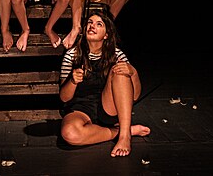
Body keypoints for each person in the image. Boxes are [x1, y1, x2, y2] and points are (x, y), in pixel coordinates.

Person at [59, 11, 150, 157]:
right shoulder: (72, 55)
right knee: (70, 134)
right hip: (81, 108)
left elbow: (134, 96)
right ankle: (122, 131)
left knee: (119, 70)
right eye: (89, 22)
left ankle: (125, 136)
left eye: (99, 24)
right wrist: (72, 81)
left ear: (106, 35)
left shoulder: (117, 54)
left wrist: (133, 73)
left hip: (108, 107)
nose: (92, 26)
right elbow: (64, 98)